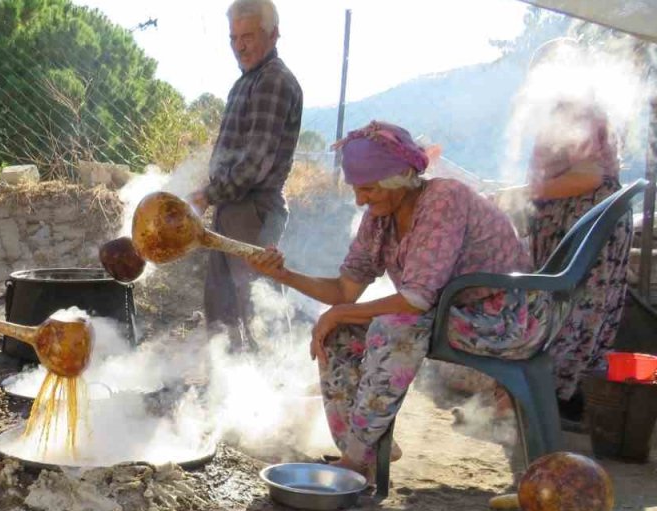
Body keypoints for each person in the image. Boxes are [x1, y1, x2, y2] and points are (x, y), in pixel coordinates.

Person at [247, 121, 553, 478]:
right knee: (340, 331)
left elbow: (416, 301)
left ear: (401, 177)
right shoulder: (379, 218)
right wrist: (284, 274)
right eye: (357, 190)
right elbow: (344, 292)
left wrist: (342, 311)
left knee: (394, 327)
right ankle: (367, 448)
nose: (361, 199)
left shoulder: (444, 200)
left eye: (369, 189)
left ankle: (356, 459)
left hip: (509, 317)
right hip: (453, 314)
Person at [511, 39, 634, 423]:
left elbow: (587, 175)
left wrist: (523, 192)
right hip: (575, 220)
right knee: (567, 309)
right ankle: (561, 398)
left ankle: (557, 399)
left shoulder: (581, 110)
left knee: (573, 310)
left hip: (585, 223)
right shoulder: (568, 108)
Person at [190, 0, 302, 349]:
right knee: (222, 306)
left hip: (253, 210)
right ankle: (232, 386)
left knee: (258, 307)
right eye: (234, 38)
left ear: (274, 34)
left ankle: (275, 386)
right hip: (233, 207)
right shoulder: (246, 82)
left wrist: (208, 195)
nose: (240, 45)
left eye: (249, 36)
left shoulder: (273, 81)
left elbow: (255, 164)